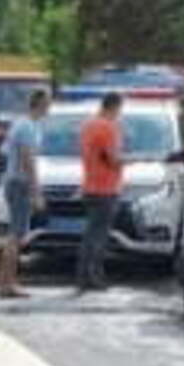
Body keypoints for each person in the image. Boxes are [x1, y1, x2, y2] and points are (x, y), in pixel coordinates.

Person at [0, 88, 50, 298]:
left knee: (14, 234)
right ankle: (8, 283)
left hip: (13, 181)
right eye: (47, 103)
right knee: (16, 235)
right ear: (40, 104)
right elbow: (28, 160)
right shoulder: (28, 127)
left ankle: (4, 280)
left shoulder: (21, 124)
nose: (49, 108)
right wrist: (36, 192)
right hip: (20, 183)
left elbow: (5, 151)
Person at [77, 92, 125, 291]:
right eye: (119, 109)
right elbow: (112, 159)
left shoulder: (88, 125)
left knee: (90, 232)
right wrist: (128, 160)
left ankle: (83, 274)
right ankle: (94, 276)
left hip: (90, 184)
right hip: (106, 187)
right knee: (99, 235)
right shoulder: (108, 127)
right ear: (114, 107)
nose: (120, 113)